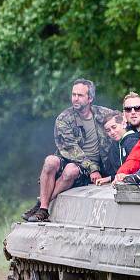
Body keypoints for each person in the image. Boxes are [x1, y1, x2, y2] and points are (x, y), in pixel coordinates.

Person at [23, 79, 115, 222]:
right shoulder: (64, 119)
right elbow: (71, 149)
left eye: (80, 95)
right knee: (50, 161)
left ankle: (41, 205)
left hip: (95, 168)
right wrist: (92, 169)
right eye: (73, 95)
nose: (75, 98)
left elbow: (124, 121)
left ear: (90, 98)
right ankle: (44, 209)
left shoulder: (103, 114)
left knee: (71, 170)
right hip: (74, 161)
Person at [95, 112, 131, 185]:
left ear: (123, 124)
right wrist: (110, 178)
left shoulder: (132, 141)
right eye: (108, 130)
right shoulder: (115, 145)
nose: (112, 132)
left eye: (114, 127)